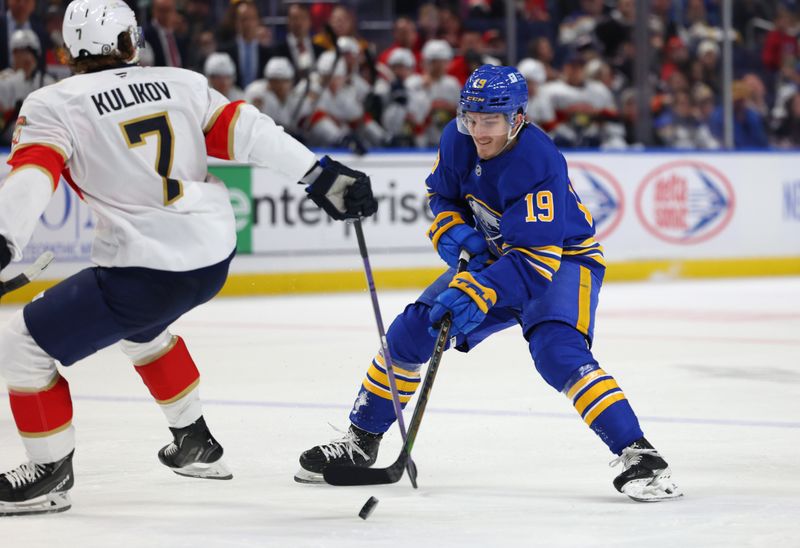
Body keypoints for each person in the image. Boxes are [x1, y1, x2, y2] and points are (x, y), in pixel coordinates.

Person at [0, 0, 377, 516]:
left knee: (22, 344)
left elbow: (33, 176)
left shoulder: (53, 103)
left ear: (68, 51)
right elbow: (249, 131)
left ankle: (48, 472)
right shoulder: (180, 81)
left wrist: (4, 240)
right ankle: (193, 440)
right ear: (131, 44)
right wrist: (321, 176)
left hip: (144, 269)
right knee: (141, 329)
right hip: (211, 255)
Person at [295, 64, 682, 503]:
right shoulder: (457, 138)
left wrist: (479, 290)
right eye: (471, 118)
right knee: (411, 331)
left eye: (490, 121)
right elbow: (441, 195)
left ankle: (642, 456)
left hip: (561, 260)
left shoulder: (538, 160)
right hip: (498, 256)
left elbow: (536, 262)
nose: (478, 131)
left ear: (517, 118)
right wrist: (455, 231)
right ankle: (361, 441)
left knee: (556, 351)